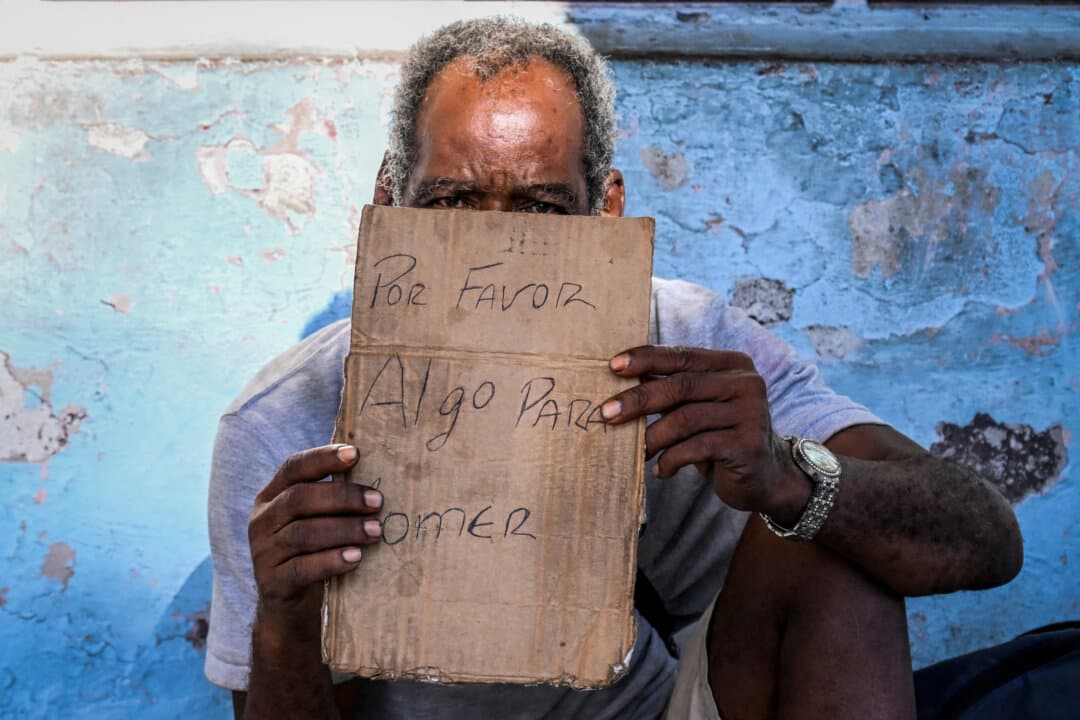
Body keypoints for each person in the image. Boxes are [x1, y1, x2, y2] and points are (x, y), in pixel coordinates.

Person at [205, 17, 1023, 720]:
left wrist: (786, 476)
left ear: (607, 212)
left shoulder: (682, 344)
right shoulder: (286, 423)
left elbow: (988, 542)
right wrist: (283, 621)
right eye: (451, 203)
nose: (494, 252)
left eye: (540, 209)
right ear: (389, 201)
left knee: (827, 529)